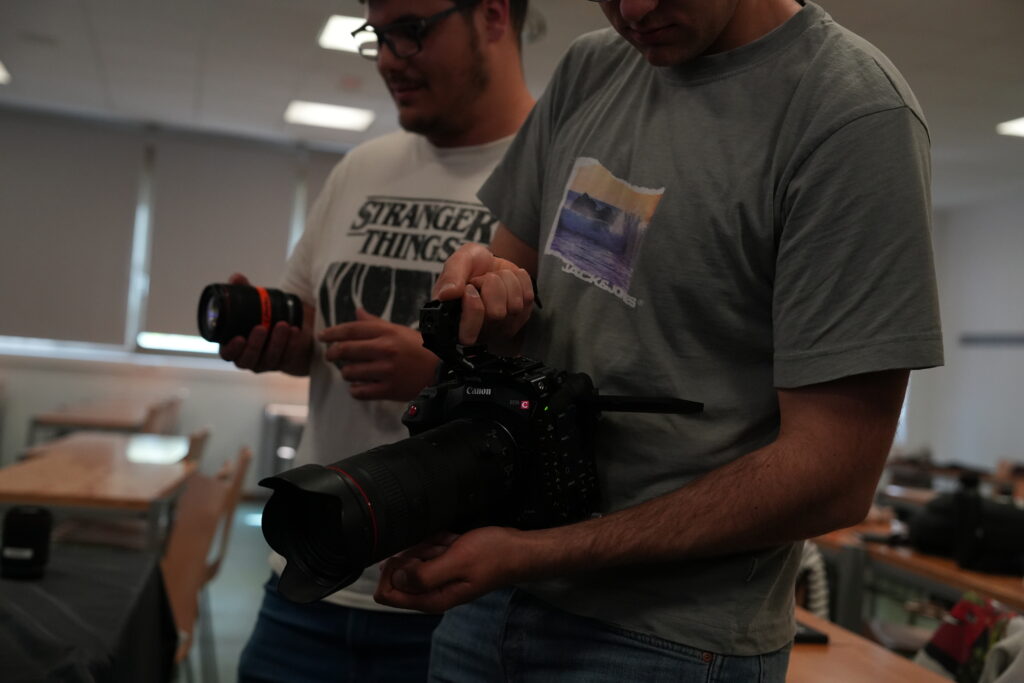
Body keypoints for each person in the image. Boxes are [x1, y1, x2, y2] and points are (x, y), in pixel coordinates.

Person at [374, 1, 944, 681]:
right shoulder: (593, 66)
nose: (635, 10)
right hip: (491, 598)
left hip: (668, 642)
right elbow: (510, 308)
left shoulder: (849, 112)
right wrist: (490, 301)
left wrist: (537, 552)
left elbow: (834, 475)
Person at [222, 1, 534, 681]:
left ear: (492, 15)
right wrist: (280, 342)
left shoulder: (550, 167)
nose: (390, 57)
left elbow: (578, 380)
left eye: (412, 31)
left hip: (459, 600)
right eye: (378, 35)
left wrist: (442, 375)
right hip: (311, 579)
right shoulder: (363, 168)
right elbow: (310, 329)